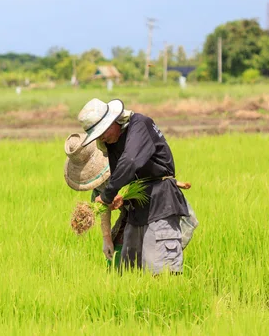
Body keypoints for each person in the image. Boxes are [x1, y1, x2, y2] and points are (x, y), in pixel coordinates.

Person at [77, 98, 196, 275]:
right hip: (136, 212)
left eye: (102, 132)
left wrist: (109, 194)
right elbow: (125, 175)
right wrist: (120, 196)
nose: (101, 138)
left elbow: (131, 161)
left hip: (160, 205)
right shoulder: (112, 142)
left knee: (161, 272)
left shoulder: (139, 125)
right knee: (129, 273)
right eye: (97, 136)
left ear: (113, 120)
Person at [64, 133, 128, 266]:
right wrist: (107, 238)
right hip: (128, 214)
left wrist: (125, 196)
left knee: (140, 256)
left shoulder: (124, 156)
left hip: (152, 208)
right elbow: (102, 204)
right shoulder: (99, 180)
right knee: (116, 255)